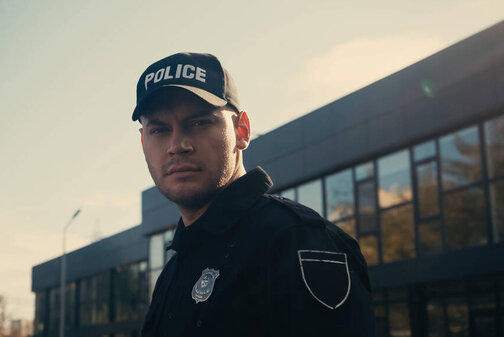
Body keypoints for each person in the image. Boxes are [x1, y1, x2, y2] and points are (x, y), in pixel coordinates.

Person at [132, 52, 374, 337]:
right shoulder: (173, 271)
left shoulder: (295, 241)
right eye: (159, 130)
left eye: (199, 123)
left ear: (242, 130)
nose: (177, 145)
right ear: (143, 142)